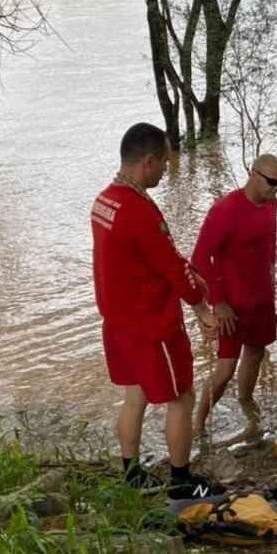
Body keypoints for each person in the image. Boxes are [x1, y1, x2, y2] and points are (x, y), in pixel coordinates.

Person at [92, 122, 217, 495]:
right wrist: (201, 306)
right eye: (163, 162)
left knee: (135, 396)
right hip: (151, 326)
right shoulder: (138, 210)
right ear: (147, 161)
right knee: (182, 399)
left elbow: (144, 259)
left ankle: (131, 475)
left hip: (117, 322)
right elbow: (171, 267)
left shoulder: (105, 200)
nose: (166, 169)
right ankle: (181, 482)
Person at [191, 155, 277, 437]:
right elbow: (199, 259)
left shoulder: (271, 204)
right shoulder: (225, 210)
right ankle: (198, 424)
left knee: (255, 354)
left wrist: (271, 271)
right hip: (231, 303)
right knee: (224, 370)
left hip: (262, 298)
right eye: (271, 182)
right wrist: (217, 302)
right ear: (253, 174)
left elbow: (268, 243)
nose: (276, 189)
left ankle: (247, 407)